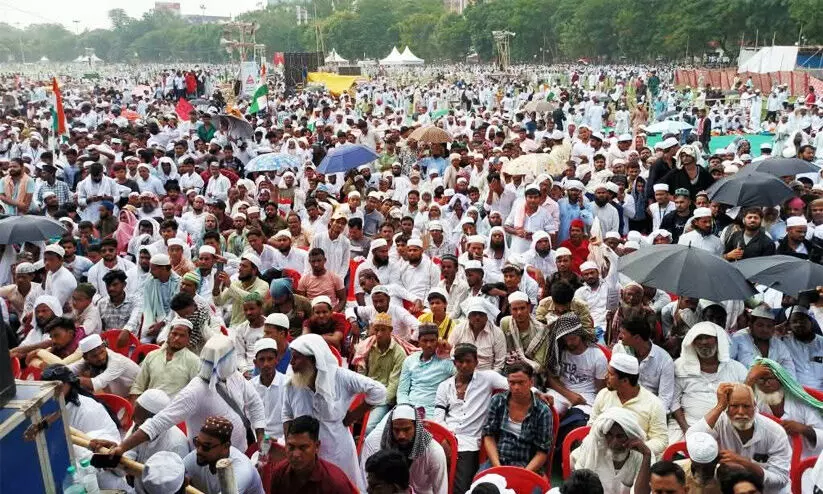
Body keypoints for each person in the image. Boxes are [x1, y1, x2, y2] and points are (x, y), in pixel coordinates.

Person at [112, 334, 266, 455]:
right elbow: (159, 422)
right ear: (224, 361)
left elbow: (254, 402)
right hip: (211, 463)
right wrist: (122, 448)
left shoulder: (233, 375)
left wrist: (260, 434)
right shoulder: (195, 391)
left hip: (242, 450)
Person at [283, 333, 387, 491]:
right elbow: (287, 415)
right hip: (303, 451)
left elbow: (379, 391)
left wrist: (353, 416)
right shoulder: (293, 381)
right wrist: (289, 445)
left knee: (340, 486)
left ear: (313, 359)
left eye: (297, 358)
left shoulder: (339, 376)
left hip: (336, 450)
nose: (292, 363)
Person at [687, 383, 791, 494]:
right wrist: (719, 407)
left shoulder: (775, 432)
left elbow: (781, 480)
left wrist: (745, 463)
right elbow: (692, 439)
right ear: (727, 408)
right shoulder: (720, 421)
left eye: (746, 406)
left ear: (755, 407)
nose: (741, 412)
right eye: (734, 406)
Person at [434, 342, 508, 494]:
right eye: (460, 361)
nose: (464, 365)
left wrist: (538, 393)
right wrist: (446, 437)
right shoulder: (444, 386)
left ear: (476, 362)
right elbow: (438, 417)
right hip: (445, 436)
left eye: (468, 361)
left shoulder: (487, 378)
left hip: (469, 441)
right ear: (454, 363)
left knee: (460, 488)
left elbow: (513, 384)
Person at [40, 364, 129, 490]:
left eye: (56, 387)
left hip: (101, 472)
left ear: (69, 384)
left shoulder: (88, 410)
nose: (50, 392)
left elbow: (99, 455)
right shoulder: (53, 405)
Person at [90, 389, 190, 494]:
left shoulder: (176, 445)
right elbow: (122, 469)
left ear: (153, 424)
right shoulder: (138, 426)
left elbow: (168, 487)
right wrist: (110, 455)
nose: (132, 418)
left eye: (137, 419)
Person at [671, 322, 748, 443]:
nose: (704, 342)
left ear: (718, 341)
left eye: (708, 337)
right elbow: (673, 400)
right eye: (699, 338)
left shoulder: (737, 368)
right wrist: (687, 429)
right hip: (689, 426)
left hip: (728, 429)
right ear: (692, 342)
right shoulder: (680, 367)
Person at [589, 352, 669, 457]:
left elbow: (661, 440)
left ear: (625, 381)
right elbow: (591, 425)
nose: (605, 376)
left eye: (610, 374)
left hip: (637, 458)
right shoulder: (603, 394)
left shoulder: (654, 404)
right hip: (603, 453)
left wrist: (638, 447)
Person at [481, 361, 553, 473]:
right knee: (479, 488)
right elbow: (488, 436)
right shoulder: (498, 401)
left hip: (528, 466)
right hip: (497, 461)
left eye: (521, 382)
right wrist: (497, 467)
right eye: (512, 383)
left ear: (531, 382)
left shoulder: (543, 411)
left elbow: (542, 452)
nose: (516, 387)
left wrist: (521, 474)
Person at [361, 403, 449, 494]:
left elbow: (441, 490)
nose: (401, 436)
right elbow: (366, 485)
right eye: (396, 430)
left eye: (406, 430)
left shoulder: (434, 452)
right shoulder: (378, 443)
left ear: (416, 427)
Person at [745, 358, 823, 458]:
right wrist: (749, 379)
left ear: (781, 379)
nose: (766, 383)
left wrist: (803, 429)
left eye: (769, 378)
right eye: (761, 379)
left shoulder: (801, 402)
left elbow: (821, 434)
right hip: (769, 463)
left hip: (802, 464)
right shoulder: (755, 402)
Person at [266, 415, 357, 494]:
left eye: (303, 447)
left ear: (317, 446)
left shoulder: (336, 483)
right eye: (291, 447)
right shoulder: (279, 473)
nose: (296, 454)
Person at [571, 407, 652, 494]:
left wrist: (647, 456)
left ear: (630, 436)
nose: (613, 443)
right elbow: (578, 487)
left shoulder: (642, 456)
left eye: (620, 436)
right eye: (609, 435)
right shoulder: (593, 446)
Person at [182, 416, 265, 494]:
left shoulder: (241, 469)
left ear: (226, 446)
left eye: (206, 446)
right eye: (197, 442)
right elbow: (177, 474)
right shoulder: (200, 454)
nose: (199, 451)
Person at [357, 312, 409, 434]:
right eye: (376, 330)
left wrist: (376, 401)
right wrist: (362, 397)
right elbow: (361, 374)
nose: (379, 334)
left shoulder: (399, 353)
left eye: (383, 330)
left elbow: (394, 383)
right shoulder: (367, 347)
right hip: (366, 393)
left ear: (390, 330)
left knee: (368, 428)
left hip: (384, 399)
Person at [613, 316, 676, 413]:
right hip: (622, 405)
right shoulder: (619, 349)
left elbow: (665, 398)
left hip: (650, 410)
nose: (619, 337)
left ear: (637, 338)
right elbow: (613, 383)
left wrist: (651, 416)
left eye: (623, 333)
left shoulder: (665, 360)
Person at [396, 323, 455, 417]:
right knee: (374, 430)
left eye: (432, 341)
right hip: (408, 408)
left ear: (437, 341)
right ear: (418, 342)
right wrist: (404, 408)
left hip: (432, 412)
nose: (429, 345)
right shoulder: (410, 360)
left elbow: (465, 374)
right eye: (425, 341)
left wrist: (450, 352)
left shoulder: (446, 362)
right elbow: (402, 391)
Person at [127, 253, 181, 343]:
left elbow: (175, 310)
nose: (150, 272)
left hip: (173, 319)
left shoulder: (179, 282)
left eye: (153, 269)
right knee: (144, 340)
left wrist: (162, 324)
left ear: (163, 268)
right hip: (154, 318)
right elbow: (147, 306)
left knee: (162, 340)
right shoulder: (150, 280)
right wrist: (151, 324)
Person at [730, 305, 796, 378]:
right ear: (750, 325)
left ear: (773, 328)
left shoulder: (778, 344)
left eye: (769, 326)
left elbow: (789, 368)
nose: (765, 330)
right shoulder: (738, 339)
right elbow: (728, 363)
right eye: (760, 325)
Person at [68, 333, 140, 398]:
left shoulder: (117, 362)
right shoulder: (87, 360)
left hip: (137, 395)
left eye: (102, 352)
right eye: (94, 356)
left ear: (105, 348)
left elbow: (96, 383)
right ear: (85, 358)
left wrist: (73, 378)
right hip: (121, 395)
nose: (100, 358)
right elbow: (72, 368)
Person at [448, 297, 506, 372]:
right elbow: (449, 353)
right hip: (461, 372)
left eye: (481, 314)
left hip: (486, 375)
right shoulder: (459, 329)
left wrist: (488, 379)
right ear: (468, 316)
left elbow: (499, 365)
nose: (477, 317)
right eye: (474, 313)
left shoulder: (497, 333)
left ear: (487, 316)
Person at [213, 252, 269, 326]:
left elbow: (253, 299)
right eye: (240, 265)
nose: (240, 269)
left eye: (244, 266)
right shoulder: (236, 283)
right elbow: (219, 302)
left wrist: (230, 285)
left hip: (254, 328)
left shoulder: (263, 285)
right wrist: (216, 286)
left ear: (254, 270)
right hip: (234, 327)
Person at [250, 338, 287, 443]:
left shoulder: (287, 384)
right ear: (255, 363)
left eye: (270, 359)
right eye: (262, 360)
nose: (266, 364)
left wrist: (280, 441)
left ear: (277, 360)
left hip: (281, 442)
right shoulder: (250, 387)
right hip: (256, 441)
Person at [780, 305, 823, 389]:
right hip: (795, 393)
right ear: (789, 325)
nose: (799, 324)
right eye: (794, 321)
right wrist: (775, 331)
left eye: (802, 320)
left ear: (810, 321)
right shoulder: (783, 342)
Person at [297, 248, 347, 313]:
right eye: (313, 261)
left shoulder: (334, 277)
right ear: (309, 261)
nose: (316, 264)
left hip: (331, 312)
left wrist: (333, 313)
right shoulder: (304, 279)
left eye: (319, 261)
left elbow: (343, 299)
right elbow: (301, 302)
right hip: (313, 313)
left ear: (324, 260)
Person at [231, 292, 266, 375]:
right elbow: (239, 355)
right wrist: (245, 370)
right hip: (249, 370)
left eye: (252, 309)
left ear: (260, 308)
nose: (248, 313)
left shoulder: (270, 325)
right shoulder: (241, 329)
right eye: (245, 310)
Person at [42, 243, 77, 309]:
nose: (47, 263)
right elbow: (47, 296)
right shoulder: (50, 272)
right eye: (45, 259)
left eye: (51, 259)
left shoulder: (64, 279)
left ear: (61, 260)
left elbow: (56, 306)